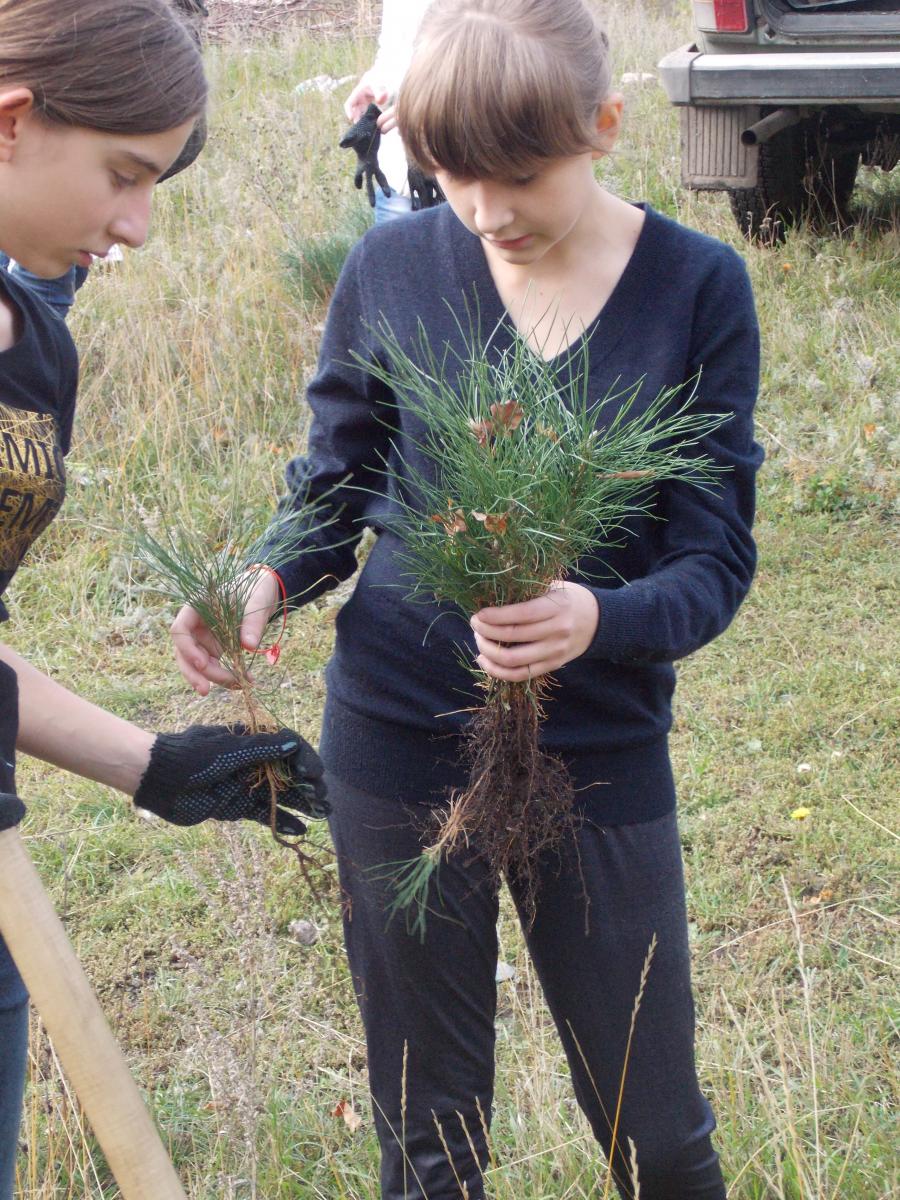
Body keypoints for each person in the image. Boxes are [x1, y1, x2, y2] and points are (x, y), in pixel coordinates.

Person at [173, 1, 763, 1196]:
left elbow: (714, 561)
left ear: (603, 125)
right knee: (428, 1134)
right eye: (452, 176)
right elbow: (337, 480)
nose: (487, 212)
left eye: (521, 175)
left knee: (658, 1138)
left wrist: (599, 619)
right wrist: (271, 574)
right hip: (393, 734)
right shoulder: (392, 263)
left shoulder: (698, 287)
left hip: (596, 746)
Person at [0, 4, 326, 1196]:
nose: (136, 225)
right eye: (123, 176)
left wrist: (159, 768)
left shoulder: (32, 333)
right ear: (13, 120)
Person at [343, 0, 433, 222]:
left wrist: (423, 107)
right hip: (396, 177)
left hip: (460, 181)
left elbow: (491, 74)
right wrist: (375, 84)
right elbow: (392, 52)